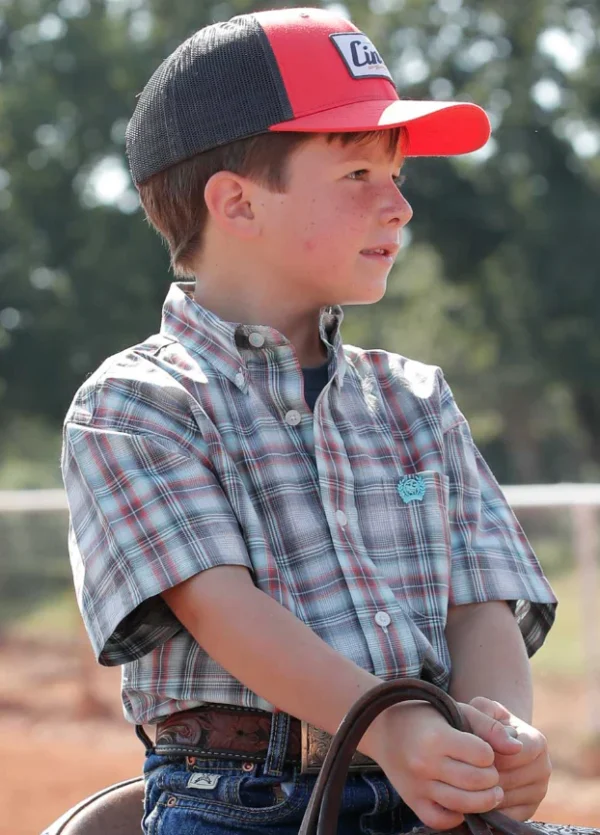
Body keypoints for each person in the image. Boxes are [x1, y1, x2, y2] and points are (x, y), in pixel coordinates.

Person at [61, 7, 557, 835]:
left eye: (397, 176)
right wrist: (388, 723)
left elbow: (481, 602)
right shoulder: (133, 406)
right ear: (237, 203)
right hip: (240, 801)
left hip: (426, 783)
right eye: (360, 173)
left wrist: (497, 733)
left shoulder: (415, 398)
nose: (398, 206)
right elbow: (219, 604)